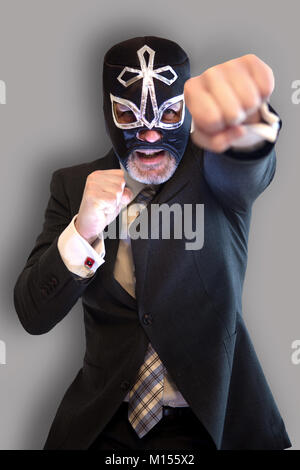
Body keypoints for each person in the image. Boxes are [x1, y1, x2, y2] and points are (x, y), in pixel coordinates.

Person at [14, 35, 291, 450]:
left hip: (214, 424)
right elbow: (33, 314)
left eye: (170, 112)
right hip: (105, 426)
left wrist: (247, 122)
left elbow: (245, 168)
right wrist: (83, 230)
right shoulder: (72, 186)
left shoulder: (212, 174)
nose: (148, 135)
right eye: (127, 114)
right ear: (106, 109)